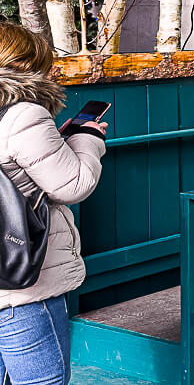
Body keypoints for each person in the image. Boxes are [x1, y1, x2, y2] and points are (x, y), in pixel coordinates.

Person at [0, 23, 105, 385]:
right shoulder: (23, 114)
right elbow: (73, 184)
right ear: (26, 62)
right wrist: (88, 138)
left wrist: (55, 146)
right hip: (22, 287)